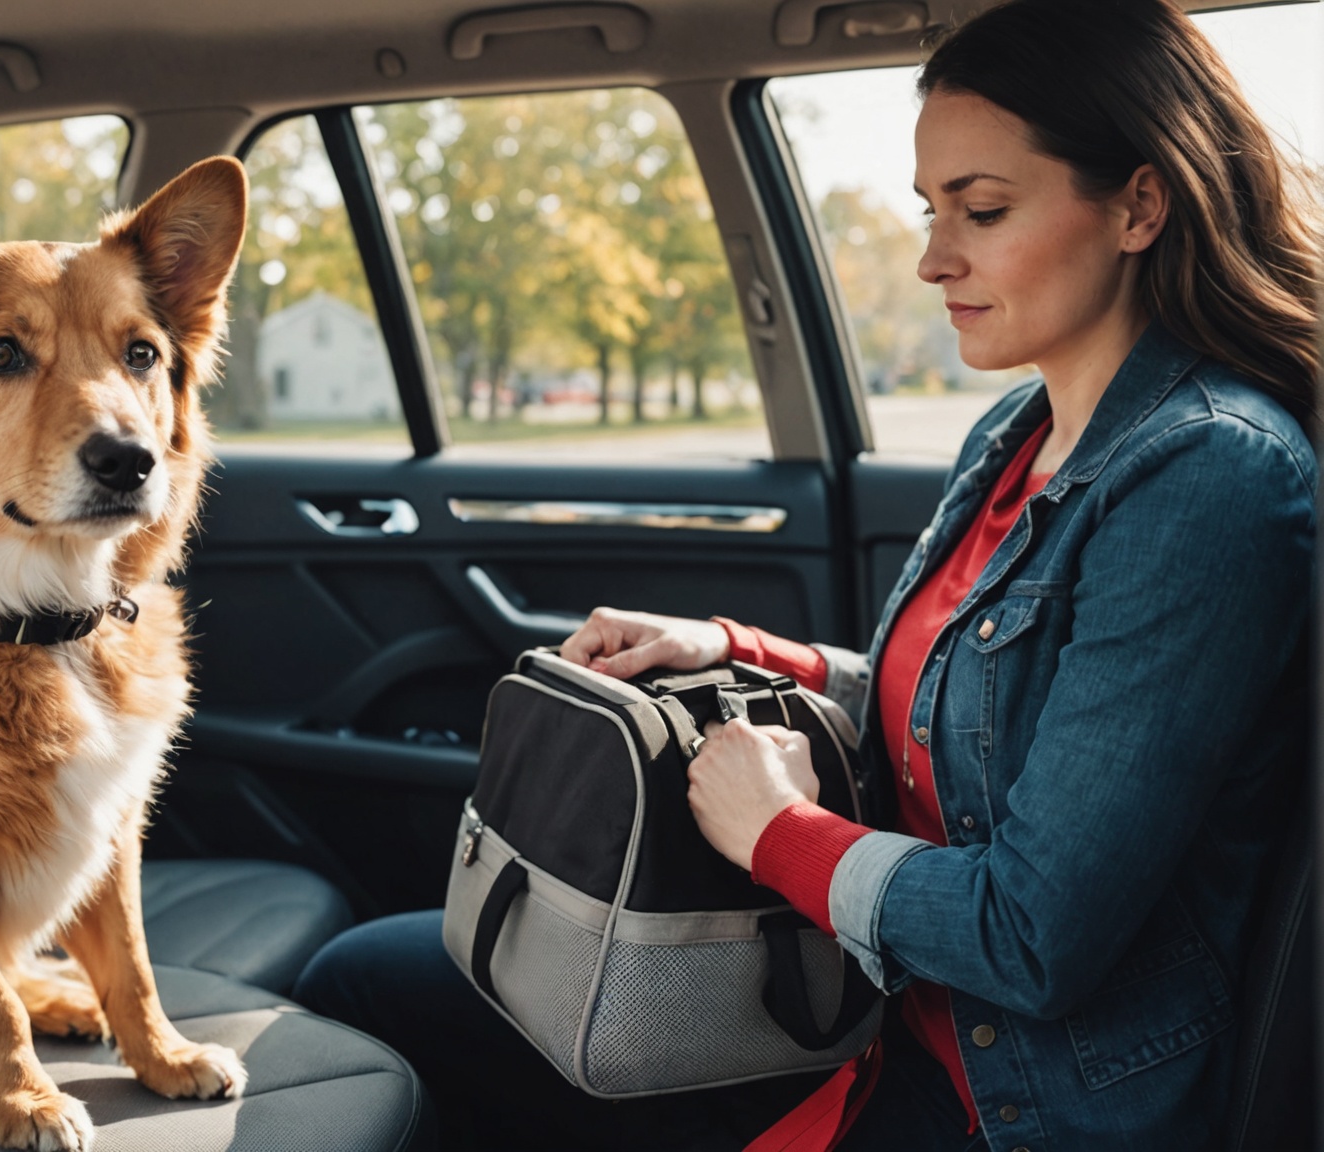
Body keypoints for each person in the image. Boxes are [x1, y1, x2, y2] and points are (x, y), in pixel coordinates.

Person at [293, 1, 1319, 1149]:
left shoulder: (1210, 478)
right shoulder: (1016, 435)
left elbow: (1031, 938)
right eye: (931, 211)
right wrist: (735, 652)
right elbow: (968, 707)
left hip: (1013, 1093)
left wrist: (776, 831)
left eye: (983, 211)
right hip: (877, 1004)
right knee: (374, 976)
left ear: (1139, 203)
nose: (935, 258)